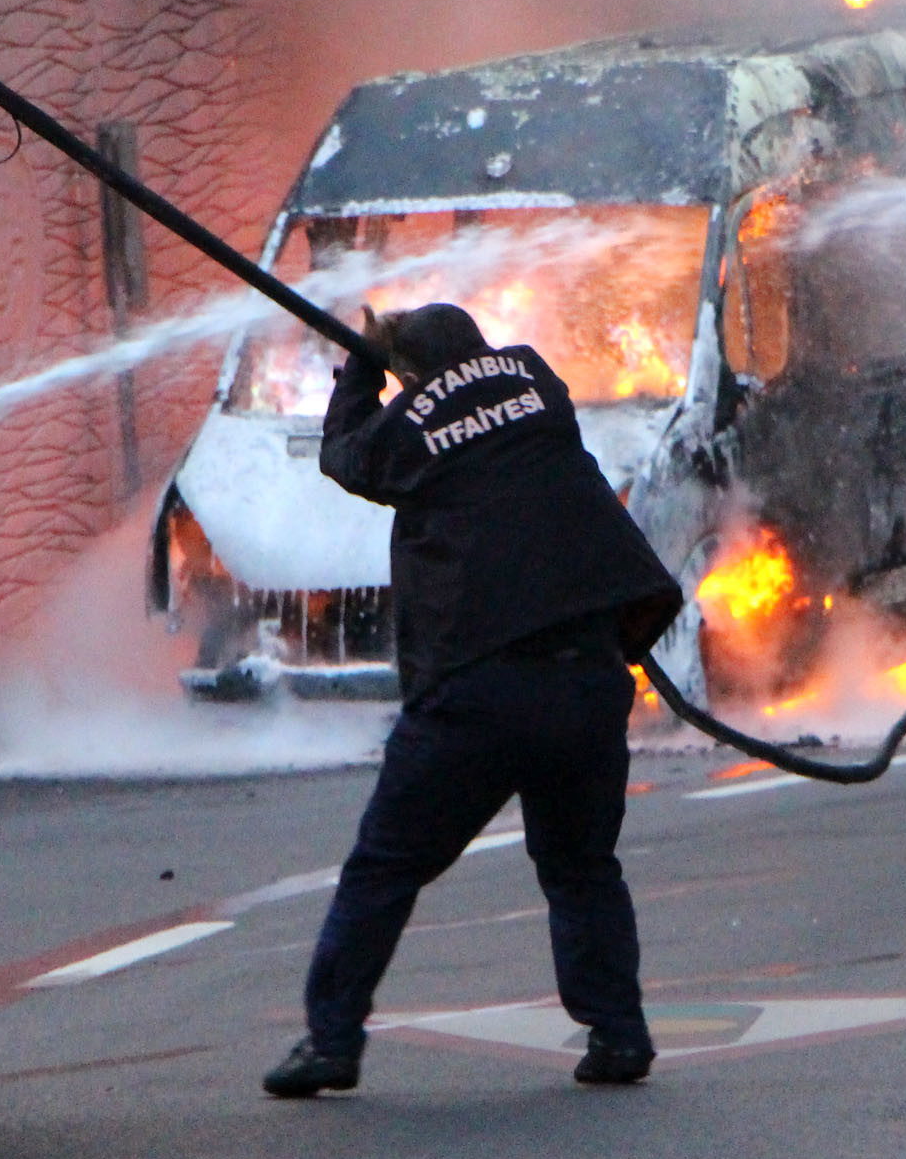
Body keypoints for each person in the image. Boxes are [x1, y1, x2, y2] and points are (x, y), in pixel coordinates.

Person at [262, 302, 685, 1098]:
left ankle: (331, 1044)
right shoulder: (538, 384)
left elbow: (348, 458)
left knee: (384, 867)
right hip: (587, 675)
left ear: (410, 378)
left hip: (478, 686)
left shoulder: (409, 430)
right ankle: (619, 1034)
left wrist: (359, 370)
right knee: (582, 865)